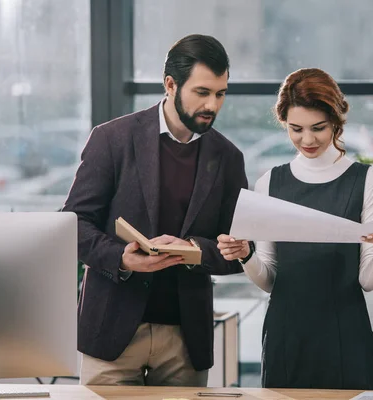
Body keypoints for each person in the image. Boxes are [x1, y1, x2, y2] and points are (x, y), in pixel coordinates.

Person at [63, 34, 248, 386]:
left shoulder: (228, 158)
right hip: (112, 331)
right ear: (170, 84)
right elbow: (74, 226)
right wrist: (123, 258)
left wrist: (196, 250)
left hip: (185, 337)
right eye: (202, 92)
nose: (213, 104)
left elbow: (237, 251)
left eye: (220, 94)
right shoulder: (112, 139)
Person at [217, 68, 373, 389]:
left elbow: (368, 282)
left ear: (337, 122)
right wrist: (246, 255)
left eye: (318, 128)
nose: (307, 139)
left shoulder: (367, 180)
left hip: (346, 336)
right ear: (284, 122)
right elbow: (270, 280)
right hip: (286, 338)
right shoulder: (269, 182)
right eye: (295, 129)